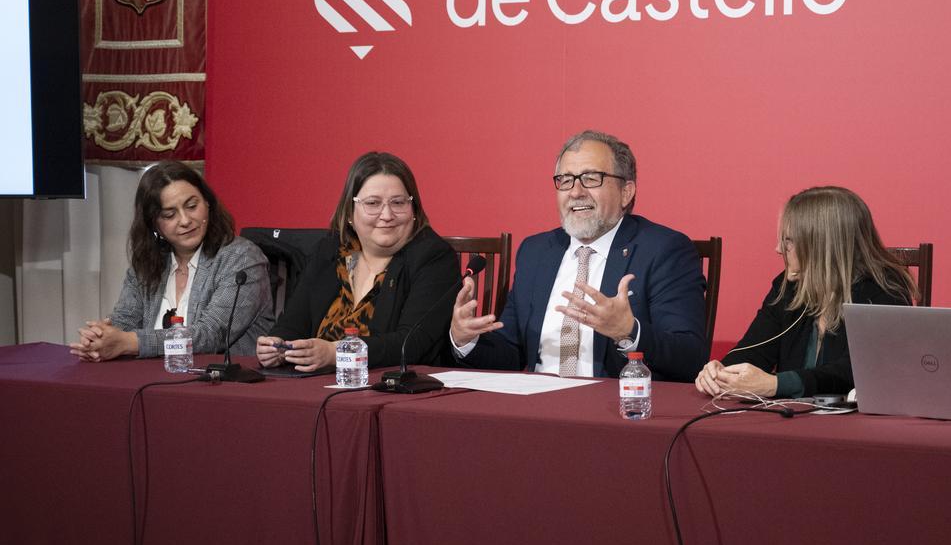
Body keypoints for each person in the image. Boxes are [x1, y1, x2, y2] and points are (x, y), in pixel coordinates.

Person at [450, 129, 707, 380]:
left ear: (625, 192)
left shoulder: (663, 250)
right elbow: (511, 354)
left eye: (591, 178)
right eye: (566, 180)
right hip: (536, 405)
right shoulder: (535, 252)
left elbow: (689, 356)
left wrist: (628, 331)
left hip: (613, 410)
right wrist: (467, 339)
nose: (575, 192)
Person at [694, 187, 917, 399]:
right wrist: (720, 372)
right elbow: (753, 349)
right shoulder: (789, 287)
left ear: (822, 245)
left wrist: (776, 384)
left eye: (788, 241)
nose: (779, 249)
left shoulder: (884, 292)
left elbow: (856, 373)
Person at [256, 152, 460, 372]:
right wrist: (277, 345)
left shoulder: (433, 257)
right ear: (350, 213)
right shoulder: (331, 249)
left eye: (398, 202)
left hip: (390, 386)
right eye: (373, 203)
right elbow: (294, 322)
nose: (387, 214)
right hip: (315, 384)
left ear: (414, 210)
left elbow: (412, 344)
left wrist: (337, 353)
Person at [69, 161, 273, 361]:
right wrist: (101, 338)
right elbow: (125, 322)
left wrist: (129, 343)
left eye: (192, 206)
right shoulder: (147, 263)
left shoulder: (241, 258)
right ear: (154, 224)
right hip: (151, 380)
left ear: (208, 203)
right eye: (169, 214)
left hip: (223, 385)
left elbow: (211, 335)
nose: (185, 220)